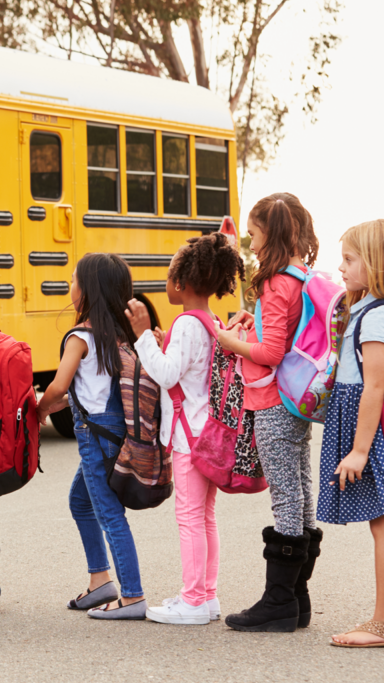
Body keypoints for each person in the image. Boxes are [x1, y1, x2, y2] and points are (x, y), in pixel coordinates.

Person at [215, 193, 322, 632]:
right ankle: (297, 596)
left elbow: (271, 351)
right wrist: (253, 320)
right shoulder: (300, 276)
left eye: (255, 234)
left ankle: (279, 600)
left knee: (285, 495)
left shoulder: (276, 283)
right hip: (296, 401)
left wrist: (229, 341)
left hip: (273, 401)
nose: (251, 243)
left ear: (271, 233)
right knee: (299, 489)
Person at [127, 234, 245, 625]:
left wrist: (144, 335)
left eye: (168, 276)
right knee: (205, 515)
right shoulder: (210, 321)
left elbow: (165, 373)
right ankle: (206, 595)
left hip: (187, 436)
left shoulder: (185, 324)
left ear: (181, 283)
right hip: (207, 432)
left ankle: (193, 599)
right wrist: (162, 344)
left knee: (190, 516)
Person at [323, 220, 384, 648]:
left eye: (348, 259)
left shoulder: (378, 314)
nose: (341, 267)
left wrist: (359, 450)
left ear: (375, 262)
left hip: (371, 430)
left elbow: (374, 385)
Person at [36, 253, 147, 620]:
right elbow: (88, 390)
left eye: (73, 280)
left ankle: (132, 596)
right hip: (116, 431)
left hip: (95, 436)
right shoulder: (120, 337)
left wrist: (39, 410)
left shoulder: (80, 336)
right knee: (80, 502)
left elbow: (58, 386)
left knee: (110, 514)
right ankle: (101, 582)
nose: (70, 287)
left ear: (88, 291)